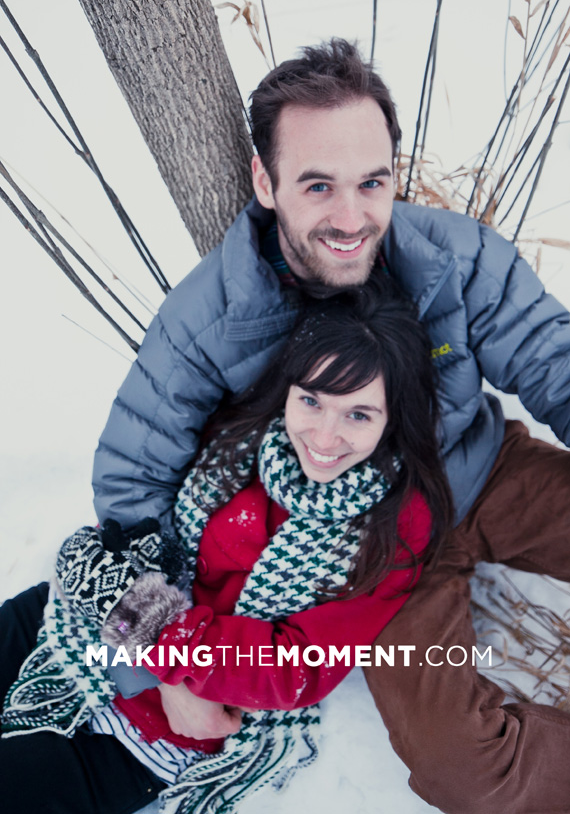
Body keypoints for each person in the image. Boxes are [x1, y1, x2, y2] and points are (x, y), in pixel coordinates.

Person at [86, 38, 570, 814]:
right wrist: (169, 668)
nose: (351, 218)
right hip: (374, 554)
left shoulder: (456, 259)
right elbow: (130, 485)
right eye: (318, 185)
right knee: (465, 768)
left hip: (484, 473)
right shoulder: (208, 319)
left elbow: (555, 361)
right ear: (264, 181)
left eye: (371, 182)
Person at [0, 283, 452, 814]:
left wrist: (155, 642)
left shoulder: (394, 526)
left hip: (157, 729)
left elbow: (294, 667)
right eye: (311, 400)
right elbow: (139, 516)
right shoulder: (240, 437)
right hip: (75, 627)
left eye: (358, 415)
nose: (325, 438)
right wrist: (143, 635)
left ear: (394, 417)